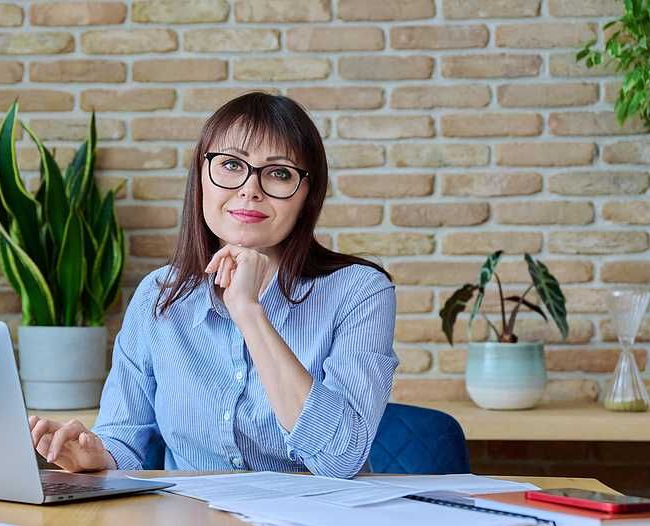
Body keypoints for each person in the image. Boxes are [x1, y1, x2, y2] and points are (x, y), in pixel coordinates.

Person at [29, 92, 398, 479]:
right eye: (230, 165)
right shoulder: (158, 296)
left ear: (307, 196)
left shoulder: (361, 292)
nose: (250, 189)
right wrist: (92, 457)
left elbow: (341, 458)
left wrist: (249, 312)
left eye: (279, 173)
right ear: (201, 177)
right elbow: (125, 440)